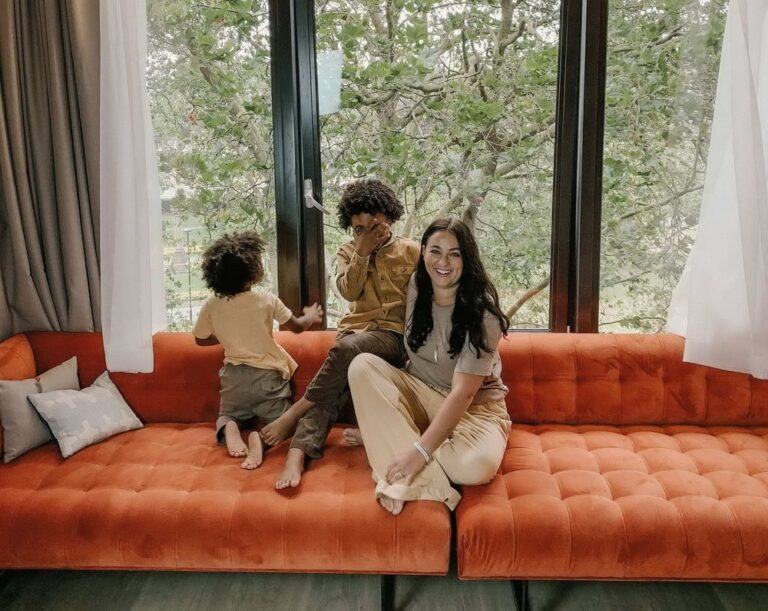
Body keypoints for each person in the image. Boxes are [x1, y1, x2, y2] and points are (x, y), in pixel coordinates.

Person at [259, 179, 420, 489]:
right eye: (358, 230)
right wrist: (362, 251)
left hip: (393, 338)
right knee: (339, 375)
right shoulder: (347, 251)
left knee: (350, 347)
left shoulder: (411, 251)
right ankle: (298, 452)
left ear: (387, 217)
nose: (367, 234)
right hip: (355, 336)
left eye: (372, 226)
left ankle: (297, 409)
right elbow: (349, 291)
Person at [347, 217, 511, 514]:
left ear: (467, 258)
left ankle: (392, 441)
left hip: (474, 410)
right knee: (361, 366)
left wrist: (419, 453)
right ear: (423, 252)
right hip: (422, 394)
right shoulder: (417, 285)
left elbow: (463, 394)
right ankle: (406, 469)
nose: (443, 262)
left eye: (454, 253)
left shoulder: (482, 313)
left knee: (474, 469)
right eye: (435, 251)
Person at [192, 230, 323, 470]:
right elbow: (296, 328)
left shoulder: (212, 304)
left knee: (228, 414)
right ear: (253, 272)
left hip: (233, 378)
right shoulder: (266, 299)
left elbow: (200, 339)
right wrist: (310, 316)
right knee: (284, 423)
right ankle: (260, 441)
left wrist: (227, 336)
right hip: (267, 377)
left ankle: (230, 427)